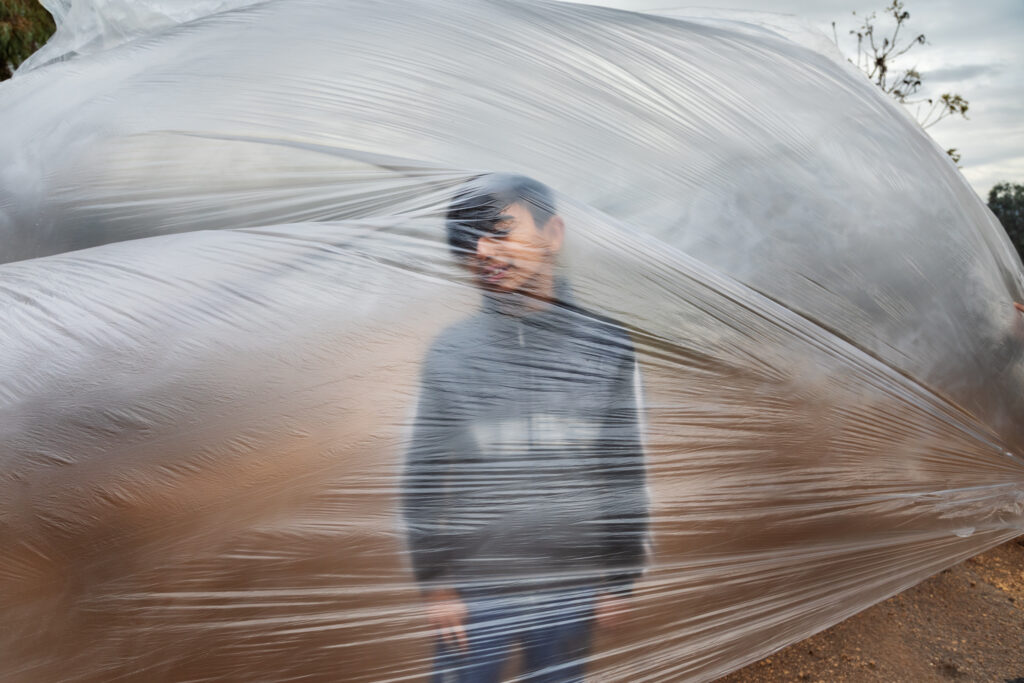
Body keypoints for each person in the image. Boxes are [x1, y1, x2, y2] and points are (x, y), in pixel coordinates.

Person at [403, 174, 648, 683]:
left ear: (553, 234)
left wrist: (618, 582)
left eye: (498, 230)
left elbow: (624, 468)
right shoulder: (452, 353)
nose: (481, 251)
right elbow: (421, 477)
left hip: (571, 588)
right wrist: (436, 585)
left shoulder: (607, 345)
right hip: (476, 589)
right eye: (467, 241)